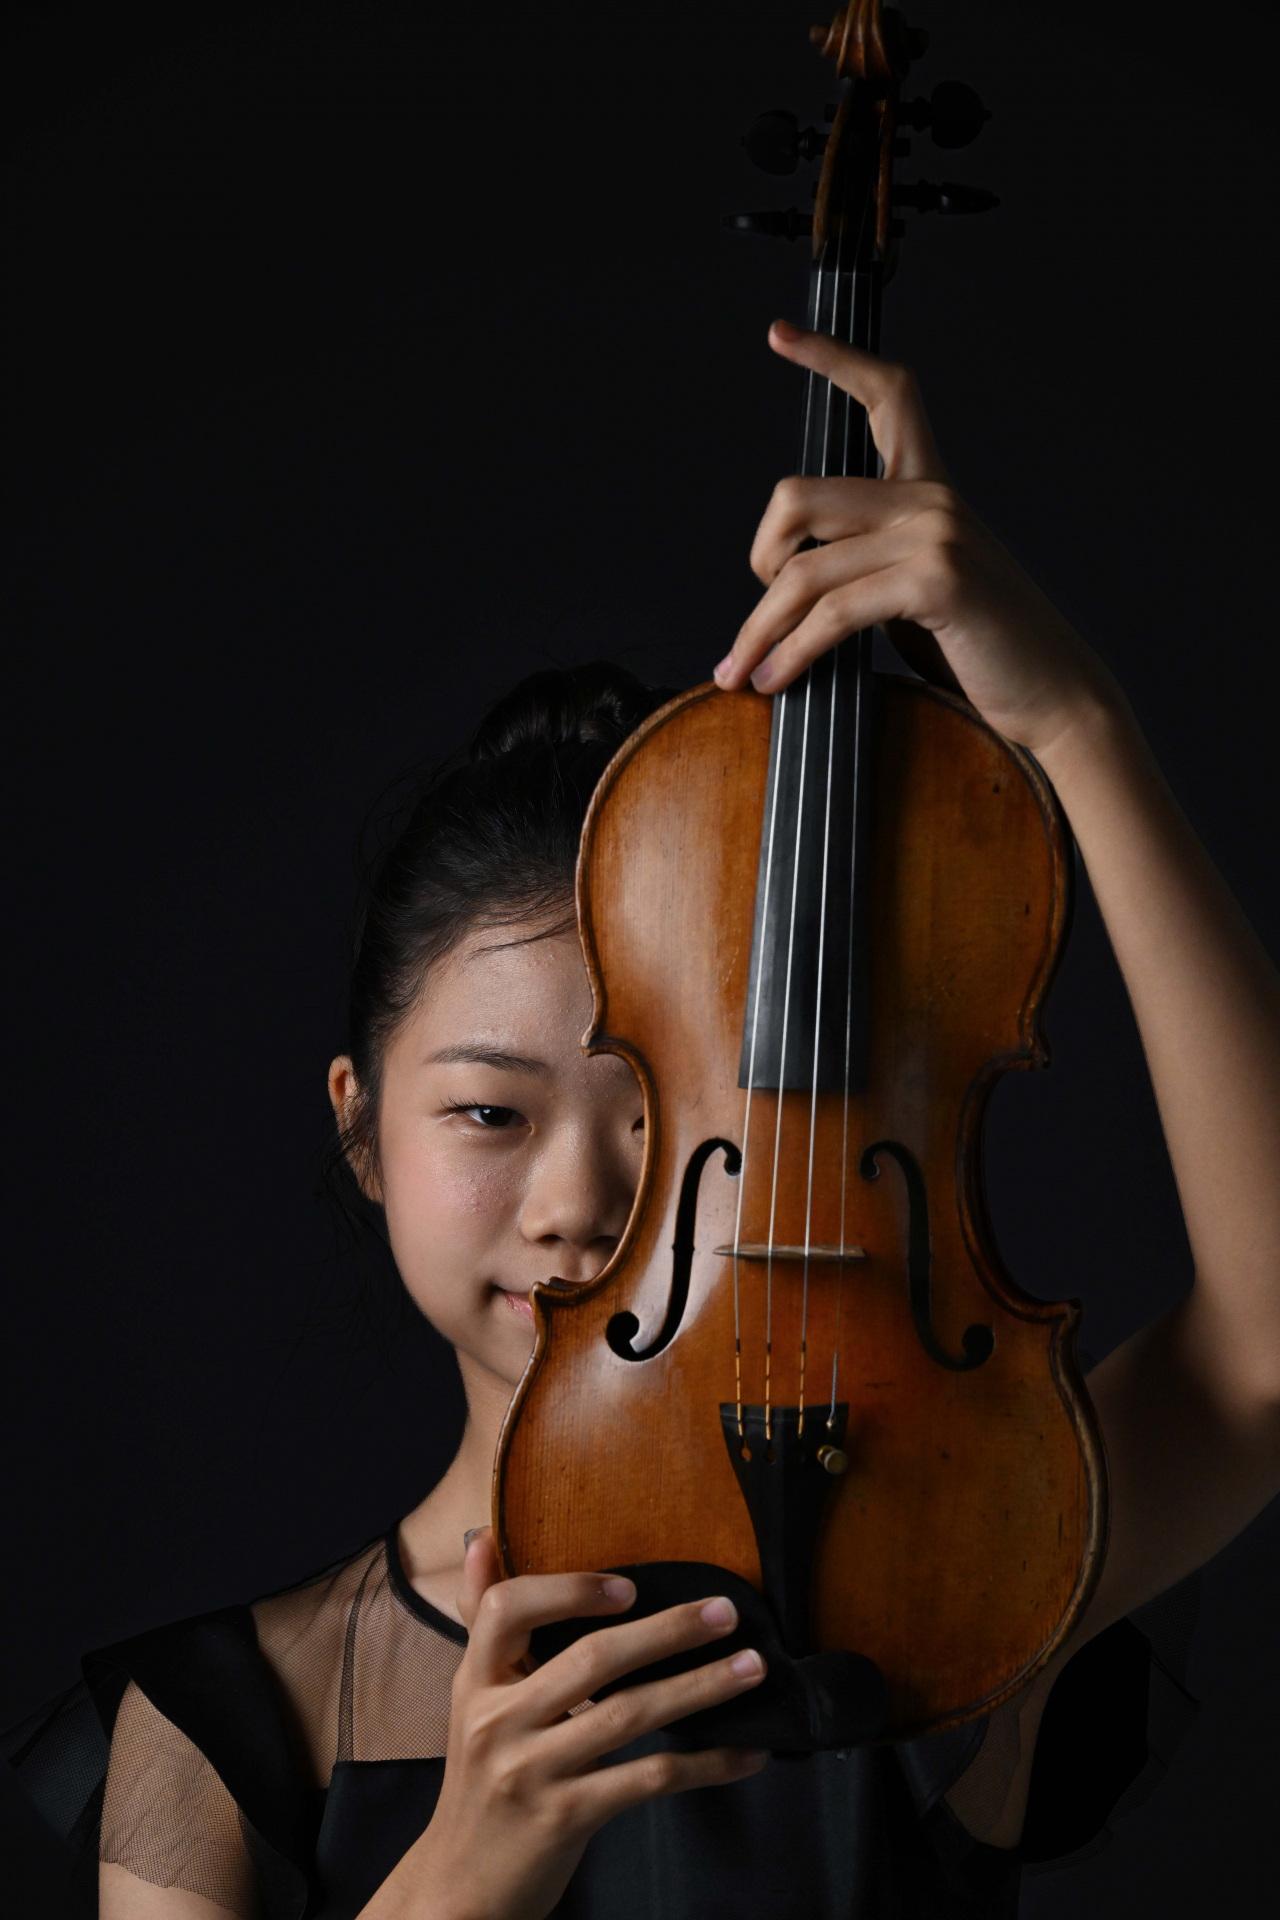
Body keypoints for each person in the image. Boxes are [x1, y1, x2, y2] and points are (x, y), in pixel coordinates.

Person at [10, 323, 1280, 1919]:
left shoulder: (941, 1588)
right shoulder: (216, 1727)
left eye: (669, 1118)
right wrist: (470, 1869)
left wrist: (1073, 727)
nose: (580, 1201)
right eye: (488, 1111)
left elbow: (1270, 1348)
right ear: (359, 1131)